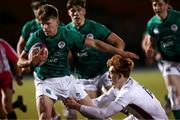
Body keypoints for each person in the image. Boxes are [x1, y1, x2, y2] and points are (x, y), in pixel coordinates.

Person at [17, 4, 138, 120]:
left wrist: (122, 53)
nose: (45, 28)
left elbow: (95, 43)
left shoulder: (67, 33)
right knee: (44, 116)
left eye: (48, 24)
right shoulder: (36, 37)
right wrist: (30, 62)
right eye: (42, 24)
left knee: (94, 114)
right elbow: (20, 61)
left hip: (66, 79)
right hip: (45, 82)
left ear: (57, 21)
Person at [65, 0, 125, 119]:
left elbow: (119, 42)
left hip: (104, 72)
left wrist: (116, 62)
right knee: (92, 114)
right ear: (68, 13)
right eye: (73, 10)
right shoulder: (66, 31)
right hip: (84, 77)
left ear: (84, 11)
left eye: (79, 10)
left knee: (121, 99)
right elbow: (67, 56)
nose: (76, 13)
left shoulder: (95, 27)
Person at [63, 55, 168, 120]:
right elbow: (98, 102)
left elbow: (102, 114)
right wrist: (76, 101)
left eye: (111, 73)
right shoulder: (121, 85)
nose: (108, 76)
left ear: (120, 75)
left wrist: (76, 106)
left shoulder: (128, 93)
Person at [16, 1, 60, 119]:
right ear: (33, 10)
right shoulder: (29, 27)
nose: (38, 9)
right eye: (35, 7)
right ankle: (55, 117)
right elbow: (21, 44)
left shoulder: (55, 23)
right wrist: (25, 63)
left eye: (41, 6)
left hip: (58, 70)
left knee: (72, 106)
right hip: (40, 70)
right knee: (44, 99)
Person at [144, 0, 180, 119]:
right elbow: (149, 41)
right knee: (175, 95)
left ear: (166, 4)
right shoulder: (152, 23)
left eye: (159, 4)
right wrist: (149, 49)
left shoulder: (177, 17)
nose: (157, 7)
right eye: (154, 5)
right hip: (168, 62)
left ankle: (168, 99)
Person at [0, 39, 23, 119]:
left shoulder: (2, 43)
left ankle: (13, 106)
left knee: (7, 104)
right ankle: (17, 104)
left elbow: (14, 58)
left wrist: (19, 76)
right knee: (2, 114)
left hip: (6, 75)